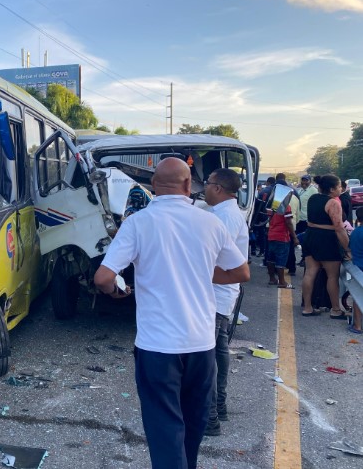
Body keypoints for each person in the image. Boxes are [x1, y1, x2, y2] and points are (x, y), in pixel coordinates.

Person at [93, 158, 249, 469]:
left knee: (165, 429)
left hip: (157, 347)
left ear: (153, 187)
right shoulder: (211, 222)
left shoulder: (138, 223)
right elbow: (241, 271)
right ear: (189, 186)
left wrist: (116, 292)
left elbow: (103, 278)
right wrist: (203, 272)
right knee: (192, 427)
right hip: (201, 344)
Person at [202, 168, 249, 437]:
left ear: (218, 188)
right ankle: (219, 407)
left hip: (215, 295)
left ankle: (209, 418)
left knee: (205, 357)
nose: (204, 189)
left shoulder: (223, 218)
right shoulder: (227, 214)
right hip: (221, 294)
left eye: (207, 184)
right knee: (218, 351)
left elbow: (214, 257)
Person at [301, 174, 350, 317]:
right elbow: (339, 228)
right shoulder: (333, 203)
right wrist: (347, 248)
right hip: (326, 240)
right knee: (332, 276)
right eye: (339, 186)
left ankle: (308, 308)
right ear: (332, 189)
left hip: (310, 236)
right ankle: (335, 309)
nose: (341, 189)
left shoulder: (312, 198)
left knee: (310, 272)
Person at [265, 188, 298, 289]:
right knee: (281, 260)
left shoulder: (272, 206)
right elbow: (288, 222)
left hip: (271, 235)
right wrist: (295, 237)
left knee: (271, 259)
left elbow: (269, 220)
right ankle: (282, 282)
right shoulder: (286, 207)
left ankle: (272, 279)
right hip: (282, 237)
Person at [348, 207, 363, 334]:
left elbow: (350, 250)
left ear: (357, 219)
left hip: (357, 269)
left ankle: (357, 325)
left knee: (358, 297)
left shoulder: (355, 233)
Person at [296, 174, 317, 266]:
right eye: (303, 180)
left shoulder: (313, 191)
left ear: (310, 181)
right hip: (300, 218)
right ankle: (303, 258)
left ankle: (306, 259)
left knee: (307, 241)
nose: (304, 182)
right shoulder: (300, 190)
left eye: (306, 181)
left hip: (307, 219)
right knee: (302, 241)